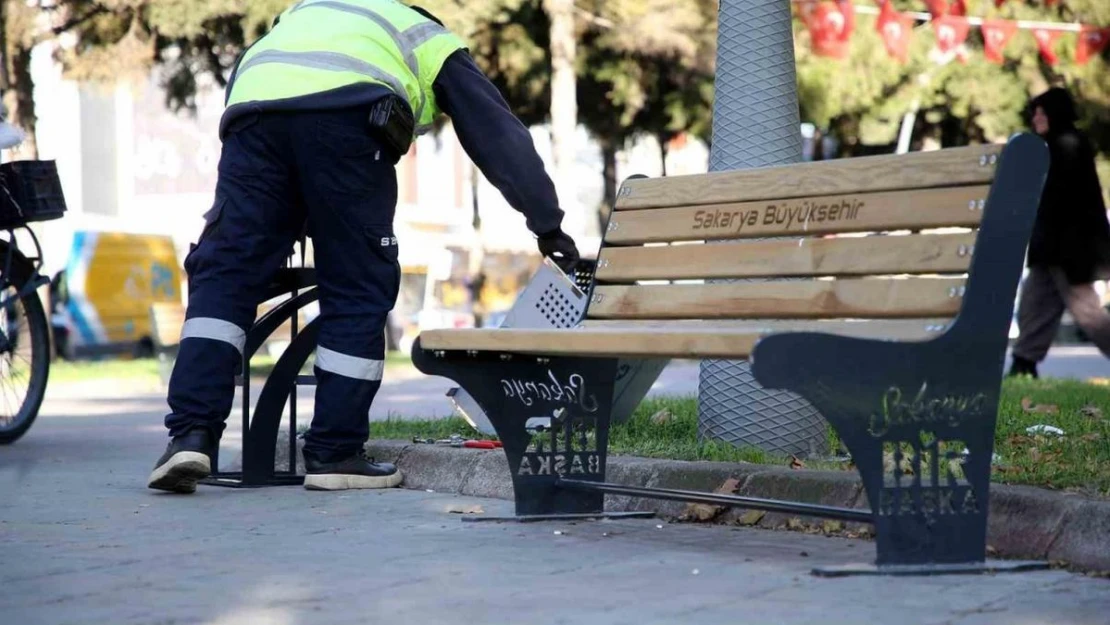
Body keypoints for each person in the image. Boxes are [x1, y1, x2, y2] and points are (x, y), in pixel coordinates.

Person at [147, 0, 580, 494]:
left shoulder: (300, 16)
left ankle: (190, 434)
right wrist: (548, 225)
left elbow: (269, 109)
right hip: (346, 121)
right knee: (358, 281)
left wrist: (280, 225)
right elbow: (497, 134)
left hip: (251, 116)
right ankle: (334, 452)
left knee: (226, 275)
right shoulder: (425, 35)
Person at [1010, 87, 1110, 378]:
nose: (1037, 118)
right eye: (1035, 112)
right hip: (1050, 250)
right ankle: (1023, 364)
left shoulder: (1066, 144)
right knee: (1033, 305)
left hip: (1071, 251)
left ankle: (1023, 363)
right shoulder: (1047, 147)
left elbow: (1066, 203)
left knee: (1088, 315)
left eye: (1043, 112)